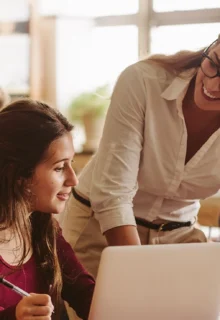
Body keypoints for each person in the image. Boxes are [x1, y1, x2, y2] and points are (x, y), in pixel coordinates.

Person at [62, 34, 220, 279]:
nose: (213, 85)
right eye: (214, 64)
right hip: (99, 229)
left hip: (178, 238)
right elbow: (112, 194)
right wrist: (138, 275)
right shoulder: (143, 80)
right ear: (210, 48)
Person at [0, 99, 95, 320]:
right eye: (60, 167)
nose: (73, 179)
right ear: (19, 174)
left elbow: (86, 294)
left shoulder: (43, 228)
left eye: (72, 164)